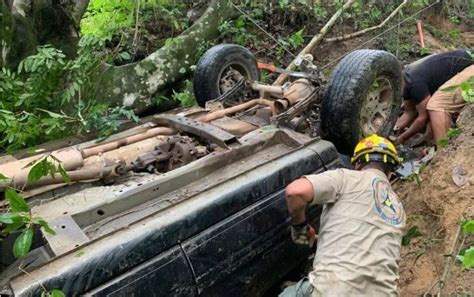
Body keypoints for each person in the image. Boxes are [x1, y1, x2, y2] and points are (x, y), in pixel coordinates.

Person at [280, 134, 406, 297]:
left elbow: (295, 192)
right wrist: (322, 238)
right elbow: (368, 241)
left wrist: (299, 226)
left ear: (357, 164)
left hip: (334, 290)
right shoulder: (398, 209)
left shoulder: (345, 178)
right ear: (390, 173)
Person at [395, 49, 474, 145]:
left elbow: (423, 118)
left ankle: (443, 153)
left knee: (437, 106)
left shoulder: (414, 84)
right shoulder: (406, 81)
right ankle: (432, 144)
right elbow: (409, 112)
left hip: (470, 64)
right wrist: (393, 129)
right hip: (460, 63)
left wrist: (402, 138)